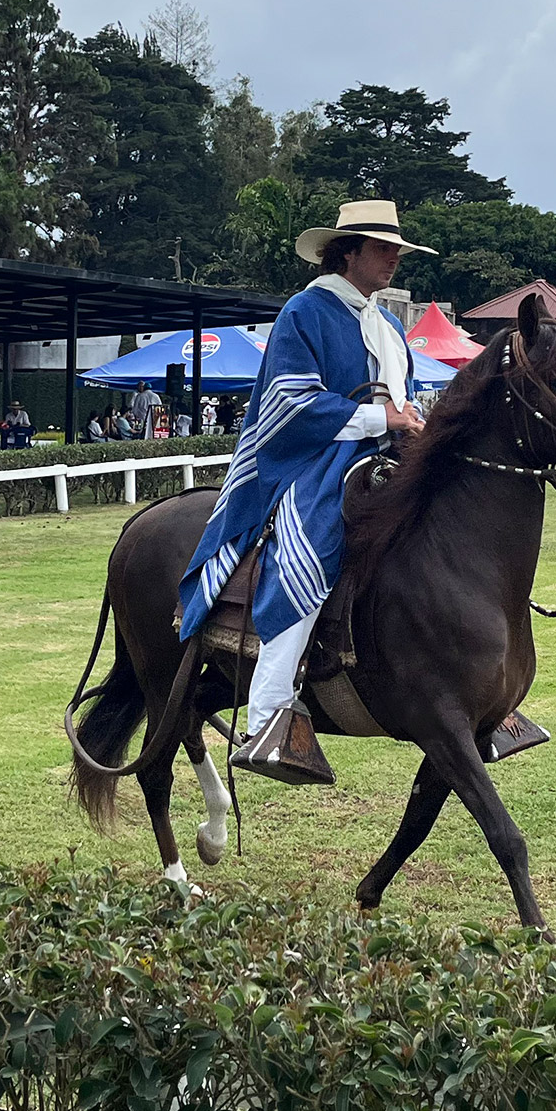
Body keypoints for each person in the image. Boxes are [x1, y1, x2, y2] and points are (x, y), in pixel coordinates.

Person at [179, 199, 428, 783]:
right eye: (383, 247)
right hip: (313, 459)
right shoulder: (305, 311)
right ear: (348, 252)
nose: (394, 258)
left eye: (397, 248)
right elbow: (290, 402)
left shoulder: (387, 324)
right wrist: (379, 421)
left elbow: (403, 394)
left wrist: (411, 419)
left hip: (385, 453)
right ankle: (267, 712)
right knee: (312, 541)